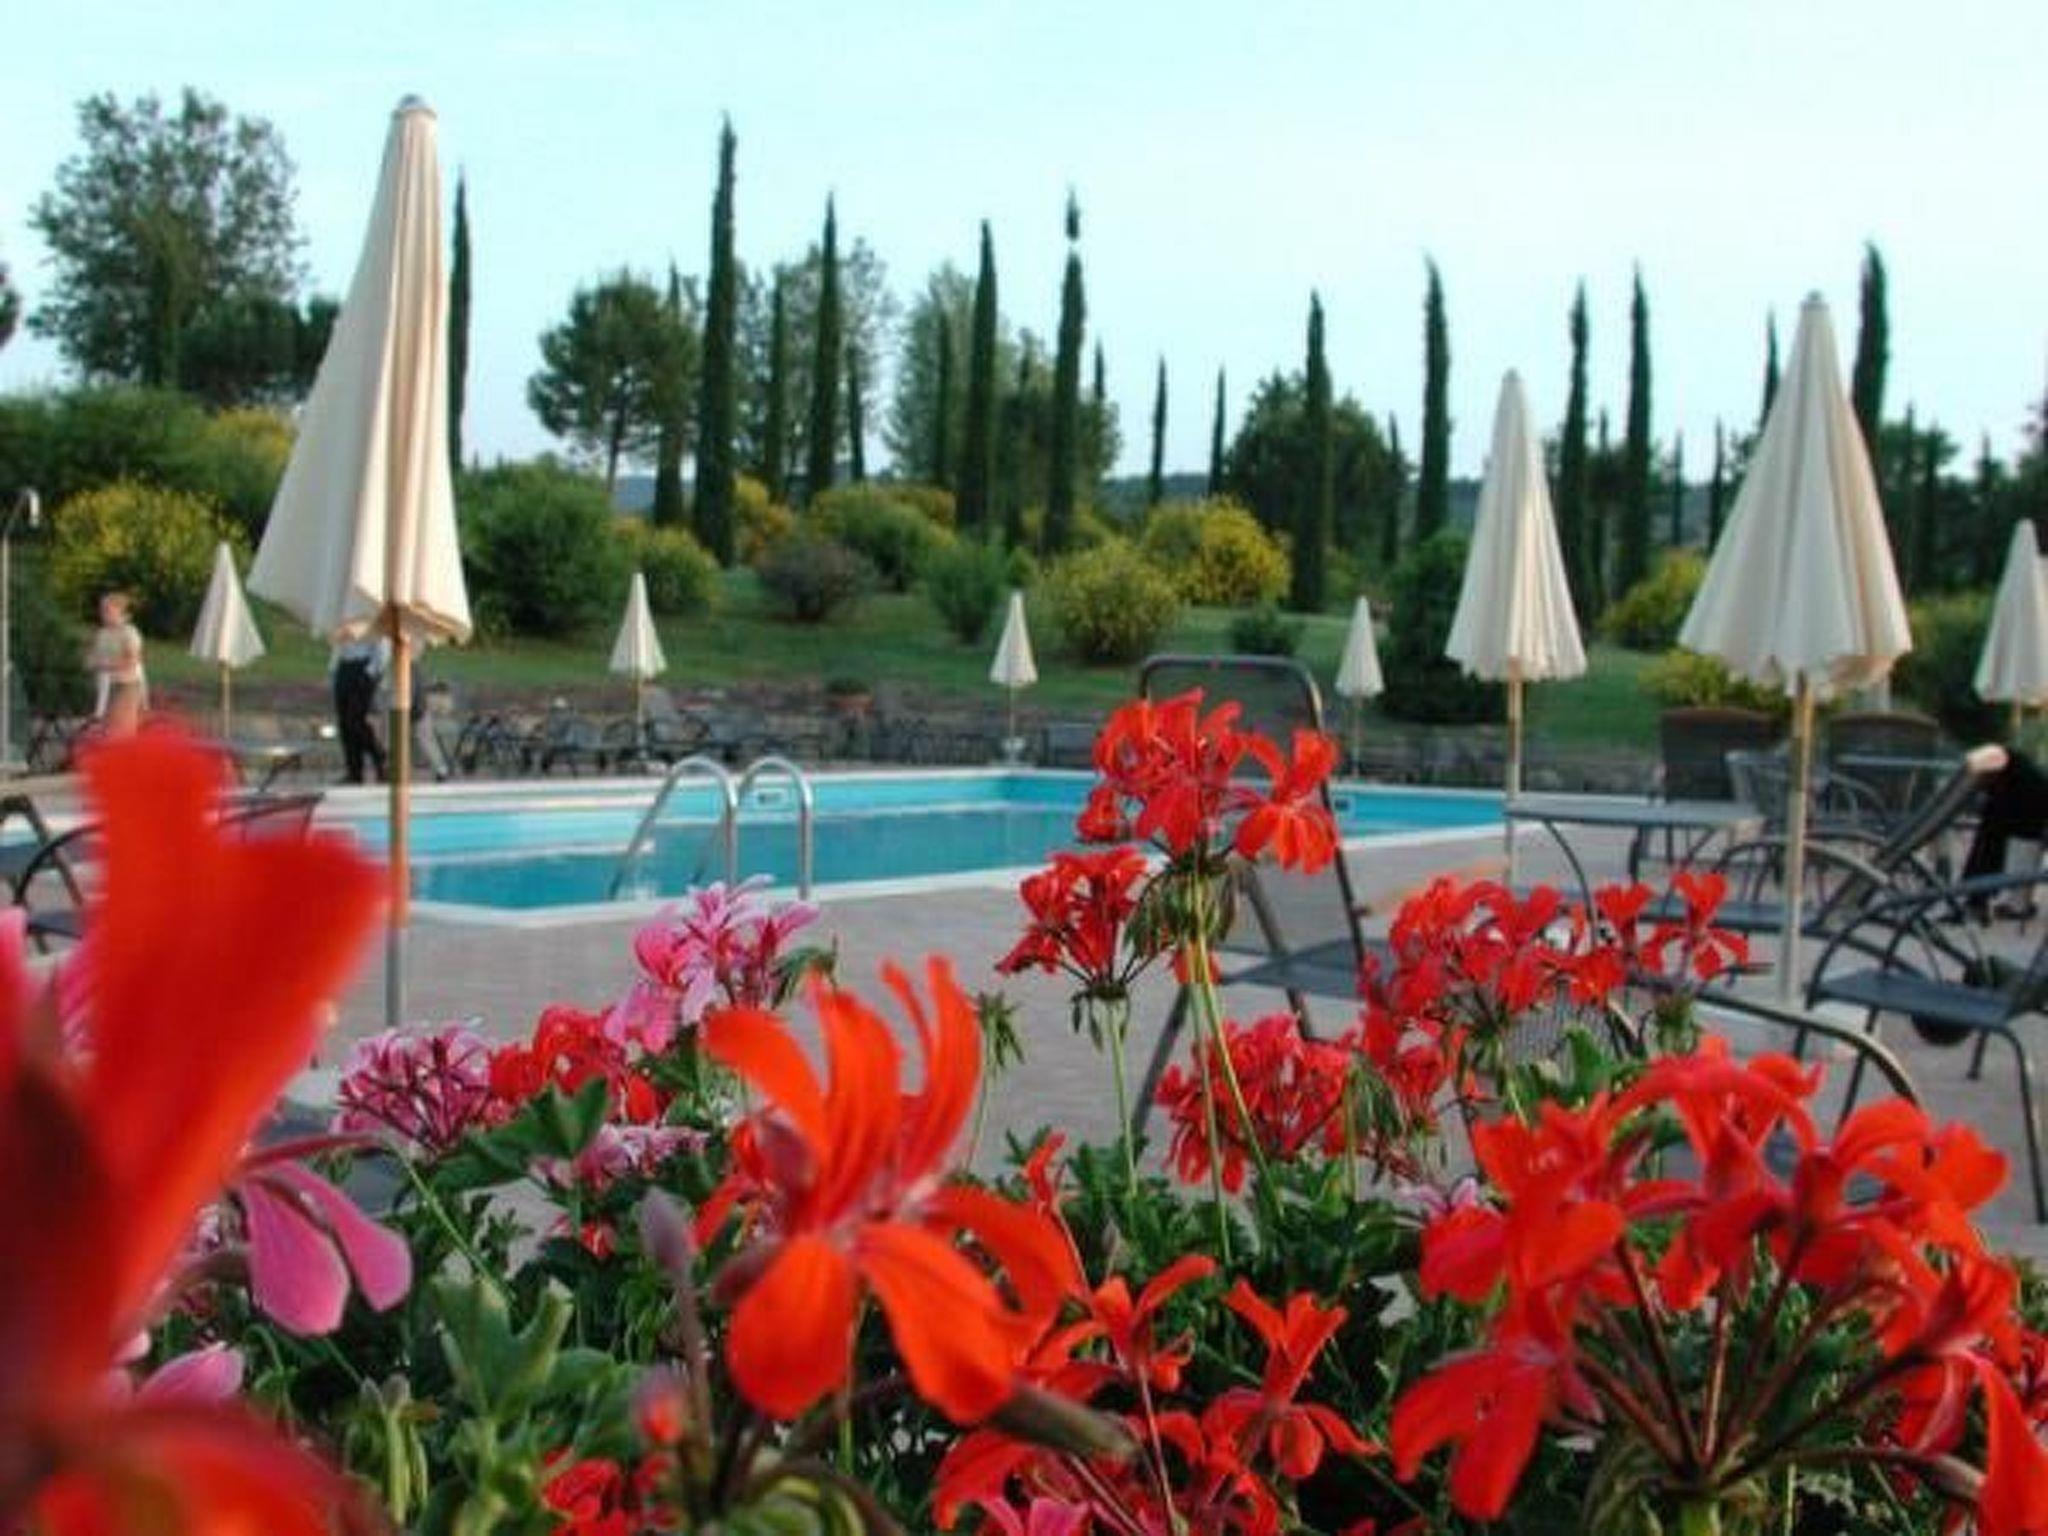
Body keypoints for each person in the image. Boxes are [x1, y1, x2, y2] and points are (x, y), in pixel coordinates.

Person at [1961, 744, 2045, 919]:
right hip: (2026, 809)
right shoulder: (2015, 774)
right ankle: (2012, 903)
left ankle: (1985, 899)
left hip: (2024, 809)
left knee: (1997, 835)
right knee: (2004, 834)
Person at [87, 592, 147, 739]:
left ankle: (123, 748)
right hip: (106, 685)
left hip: (126, 684)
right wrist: (91, 662)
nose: (104, 614)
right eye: (102, 610)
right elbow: (93, 656)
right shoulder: (102, 633)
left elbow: (133, 660)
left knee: (122, 726)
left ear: (124, 615)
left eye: (108, 611)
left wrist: (107, 665)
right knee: (107, 726)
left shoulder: (129, 633)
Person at [330, 636, 387, 784]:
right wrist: (333, 668)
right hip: (343, 666)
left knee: (355, 720)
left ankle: (378, 754)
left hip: (363, 666)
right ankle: (354, 771)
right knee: (344, 723)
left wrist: (370, 672)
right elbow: (338, 643)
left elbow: (381, 646)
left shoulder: (369, 623)